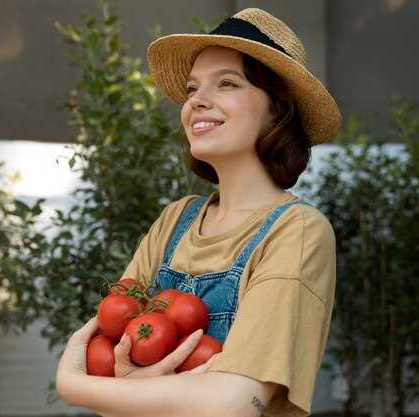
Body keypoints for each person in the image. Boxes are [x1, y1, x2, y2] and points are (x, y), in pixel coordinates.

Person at [55, 7, 341, 417]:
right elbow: (104, 355)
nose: (197, 102)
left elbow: (233, 405)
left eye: (226, 83)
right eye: (191, 89)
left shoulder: (297, 232)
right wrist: (119, 387)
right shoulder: (175, 220)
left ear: (277, 109)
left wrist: (74, 387)